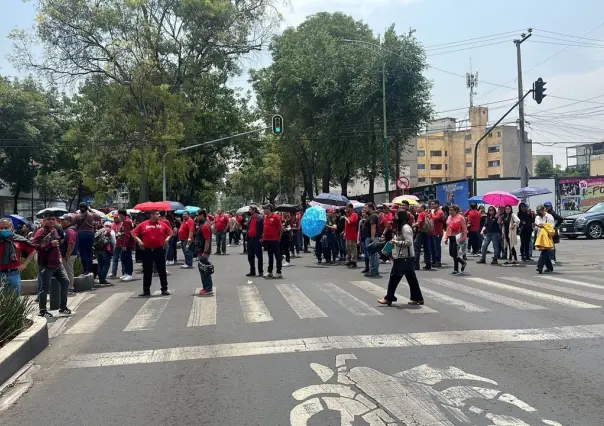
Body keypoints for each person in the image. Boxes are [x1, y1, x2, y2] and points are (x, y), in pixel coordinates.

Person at [377, 210, 423, 306]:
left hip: (404, 257)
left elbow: (409, 242)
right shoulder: (401, 227)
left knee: (394, 277)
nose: (394, 219)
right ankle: (417, 298)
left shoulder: (406, 228)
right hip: (404, 256)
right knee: (411, 278)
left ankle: (389, 297)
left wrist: (396, 242)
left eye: (396, 217)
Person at [33, 211, 71, 318]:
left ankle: (63, 307)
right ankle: (42, 310)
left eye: (53, 219)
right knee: (44, 288)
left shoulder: (55, 230)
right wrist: (49, 244)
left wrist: (59, 256)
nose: (51, 221)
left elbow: (58, 244)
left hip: (57, 263)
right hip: (46, 264)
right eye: (49, 219)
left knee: (66, 282)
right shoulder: (40, 232)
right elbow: (35, 245)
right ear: (44, 220)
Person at [132, 210, 173, 296]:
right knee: (147, 271)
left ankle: (164, 289)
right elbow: (133, 233)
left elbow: (170, 233)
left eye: (158, 213)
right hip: (147, 250)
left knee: (162, 270)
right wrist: (139, 241)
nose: (159, 215)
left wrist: (167, 239)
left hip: (159, 250)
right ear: (152, 215)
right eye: (157, 214)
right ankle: (146, 290)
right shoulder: (144, 224)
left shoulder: (162, 224)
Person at [0, 218, 36, 293]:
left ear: (12, 227)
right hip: (1, 273)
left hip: (14, 273)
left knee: (15, 299)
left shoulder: (19, 239)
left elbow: (33, 251)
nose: (3, 230)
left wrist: (24, 264)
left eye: (6, 228)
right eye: (1, 228)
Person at [73, 202, 101, 274]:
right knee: (89, 252)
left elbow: (73, 223)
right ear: (86, 207)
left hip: (81, 234)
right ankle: (89, 268)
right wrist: (90, 210)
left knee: (83, 252)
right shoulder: (91, 215)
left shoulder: (77, 216)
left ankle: (86, 270)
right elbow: (99, 217)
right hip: (90, 234)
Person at [194, 209, 214, 296]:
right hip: (200, 251)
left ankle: (208, 288)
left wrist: (205, 252)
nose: (196, 217)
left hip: (203, 251)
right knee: (203, 270)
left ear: (202, 215)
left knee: (205, 270)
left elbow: (207, 240)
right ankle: (206, 287)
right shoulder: (202, 225)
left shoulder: (205, 226)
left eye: (197, 215)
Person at [444, 205, 468, 275]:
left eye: (451, 210)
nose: (450, 211)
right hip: (450, 236)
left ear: (456, 210)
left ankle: (456, 269)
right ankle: (463, 262)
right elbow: (448, 228)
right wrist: (446, 237)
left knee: (455, 253)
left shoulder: (460, 218)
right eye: (449, 210)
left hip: (457, 236)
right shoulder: (449, 217)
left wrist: (464, 238)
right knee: (451, 253)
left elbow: (464, 229)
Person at [262, 204, 283, 279]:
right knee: (270, 256)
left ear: (269, 209)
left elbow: (280, 228)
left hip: (275, 240)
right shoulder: (266, 217)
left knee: (277, 256)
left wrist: (279, 237)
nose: (264, 211)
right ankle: (270, 271)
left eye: (265, 209)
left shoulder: (275, 217)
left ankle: (278, 272)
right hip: (267, 240)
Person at [59, 214, 78, 293]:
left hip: (69, 255)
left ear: (69, 221)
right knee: (66, 271)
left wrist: (67, 254)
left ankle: (70, 288)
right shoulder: (66, 229)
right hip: (67, 254)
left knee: (68, 271)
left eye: (63, 220)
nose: (61, 222)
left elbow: (71, 244)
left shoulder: (70, 231)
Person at [534, 204, 555, 274]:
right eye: (537, 211)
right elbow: (537, 226)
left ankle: (539, 267)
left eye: (540, 211)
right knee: (545, 251)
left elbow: (552, 226)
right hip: (540, 236)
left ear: (544, 210)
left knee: (545, 251)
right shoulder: (537, 217)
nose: (538, 213)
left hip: (547, 236)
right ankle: (550, 267)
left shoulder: (549, 216)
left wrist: (543, 225)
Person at [362, 202, 381, 278]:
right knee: (373, 254)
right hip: (369, 237)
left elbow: (373, 227)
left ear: (370, 208)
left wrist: (372, 238)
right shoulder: (371, 216)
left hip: (370, 237)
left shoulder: (373, 216)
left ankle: (373, 270)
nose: (365, 209)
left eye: (366, 208)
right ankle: (374, 270)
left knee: (372, 255)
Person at [116, 209, 135, 281]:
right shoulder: (127, 221)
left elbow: (127, 234)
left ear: (121, 215)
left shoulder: (126, 222)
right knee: (124, 258)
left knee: (127, 258)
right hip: (126, 243)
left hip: (127, 243)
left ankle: (129, 273)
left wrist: (124, 245)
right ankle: (127, 273)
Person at [344, 203, 359, 268]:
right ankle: (348, 260)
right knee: (348, 249)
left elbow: (350, 222)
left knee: (353, 248)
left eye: (347, 208)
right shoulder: (348, 215)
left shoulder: (354, 214)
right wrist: (344, 232)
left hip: (352, 235)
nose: (346, 209)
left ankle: (354, 261)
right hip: (347, 234)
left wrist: (346, 218)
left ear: (350, 208)